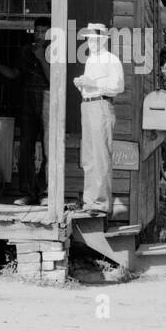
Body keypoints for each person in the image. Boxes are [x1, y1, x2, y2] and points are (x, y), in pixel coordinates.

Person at [73, 22, 125, 217]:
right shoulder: (90, 61)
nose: (91, 42)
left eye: (94, 39)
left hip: (101, 106)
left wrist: (92, 83)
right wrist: (81, 85)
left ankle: (101, 203)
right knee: (88, 156)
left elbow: (117, 86)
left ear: (103, 40)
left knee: (100, 155)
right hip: (87, 105)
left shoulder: (111, 60)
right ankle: (90, 201)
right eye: (88, 39)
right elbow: (91, 86)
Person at [14, 17, 52, 205]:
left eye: (43, 32)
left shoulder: (53, 50)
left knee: (48, 148)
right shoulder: (25, 50)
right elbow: (17, 75)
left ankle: (45, 192)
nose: (39, 35)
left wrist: (41, 57)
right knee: (25, 148)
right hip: (27, 99)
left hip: (47, 98)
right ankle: (28, 192)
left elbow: (53, 79)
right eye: (37, 31)